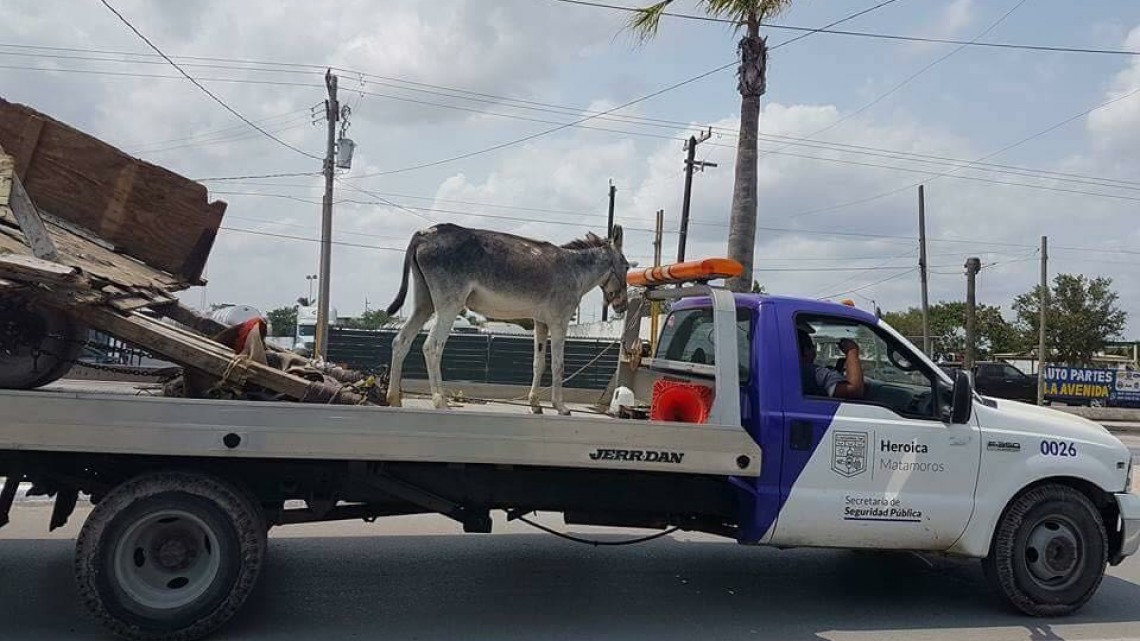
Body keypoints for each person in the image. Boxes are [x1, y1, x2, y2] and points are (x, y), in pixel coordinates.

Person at [798, 327, 864, 399]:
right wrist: (852, 351)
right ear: (806, 350)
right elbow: (853, 391)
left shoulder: (788, 372)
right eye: (812, 346)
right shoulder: (814, 373)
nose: (814, 351)